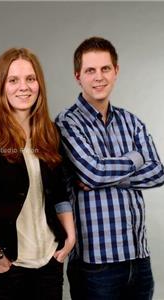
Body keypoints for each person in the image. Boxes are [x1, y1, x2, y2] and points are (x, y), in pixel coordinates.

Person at [0, 47, 75, 300]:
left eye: (30, 79)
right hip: (4, 266)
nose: (24, 87)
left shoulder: (50, 134)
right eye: (13, 80)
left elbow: (59, 194)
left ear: (39, 84)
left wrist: (70, 237)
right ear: (1, 86)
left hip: (49, 263)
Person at [56, 36, 164, 300]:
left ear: (116, 71)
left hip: (139, 259)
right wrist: (135, 159)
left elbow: (159, 172)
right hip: (96, 264)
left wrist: (107, 176)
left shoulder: (131, 122)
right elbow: (94, 172)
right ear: (77, 76)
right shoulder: (67, 122)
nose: (99, 77)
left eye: (105, 69)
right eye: (90, 70)